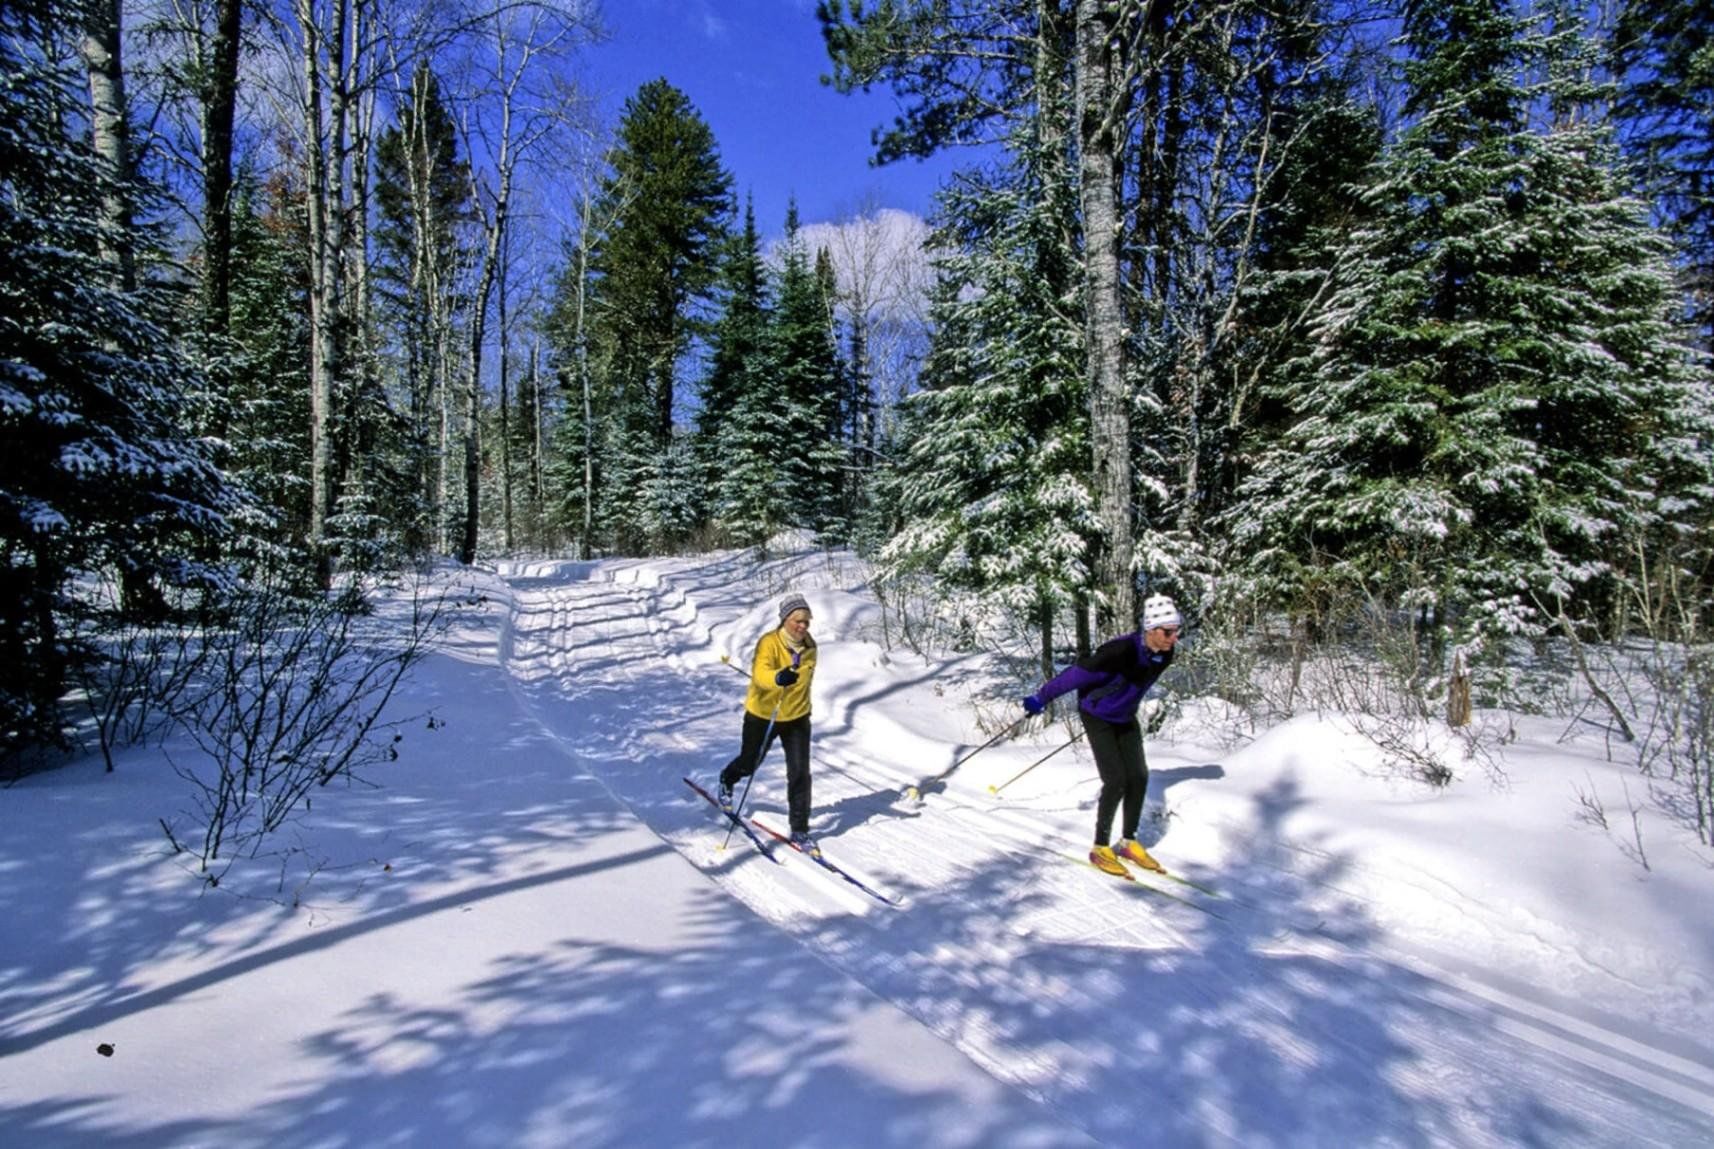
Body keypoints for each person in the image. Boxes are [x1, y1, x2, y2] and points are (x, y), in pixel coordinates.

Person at [1021, 593, 1183, 876]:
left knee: (1139, 776)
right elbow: (1074, 676)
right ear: (1151, 629)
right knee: (1116, 779)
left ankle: (1128, 842)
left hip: (1125, 715)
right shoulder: (1117, 652)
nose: (1173, 638)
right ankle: (1100, 847)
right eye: (1168, 631)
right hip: (1096, 714)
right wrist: (1041, 698)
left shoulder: (1165, 654)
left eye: (1176, 631)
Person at [718, 593, 820, 853]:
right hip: (764, 714)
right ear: (785, 619)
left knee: (799, 773)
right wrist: (777, 678)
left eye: (806, 621)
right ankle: (727, 779)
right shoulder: (768, 643)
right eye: (797, 621)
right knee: (750, 762)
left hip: (797, 717)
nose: (802, 626)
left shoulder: (811, 648)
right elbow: (761, 674)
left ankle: (800, 829)